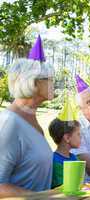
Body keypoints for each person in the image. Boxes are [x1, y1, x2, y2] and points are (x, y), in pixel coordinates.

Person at [0, 35, 54, 197]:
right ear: (34, 83)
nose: (54, 83)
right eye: (49, 79)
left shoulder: (33, 121)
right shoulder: (9, 124)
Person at [49, 109, 81, 188]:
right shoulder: (55, 161)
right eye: (78, 134)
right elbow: (62, 189)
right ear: (67, 138)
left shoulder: (74, 157)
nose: (81, 137)